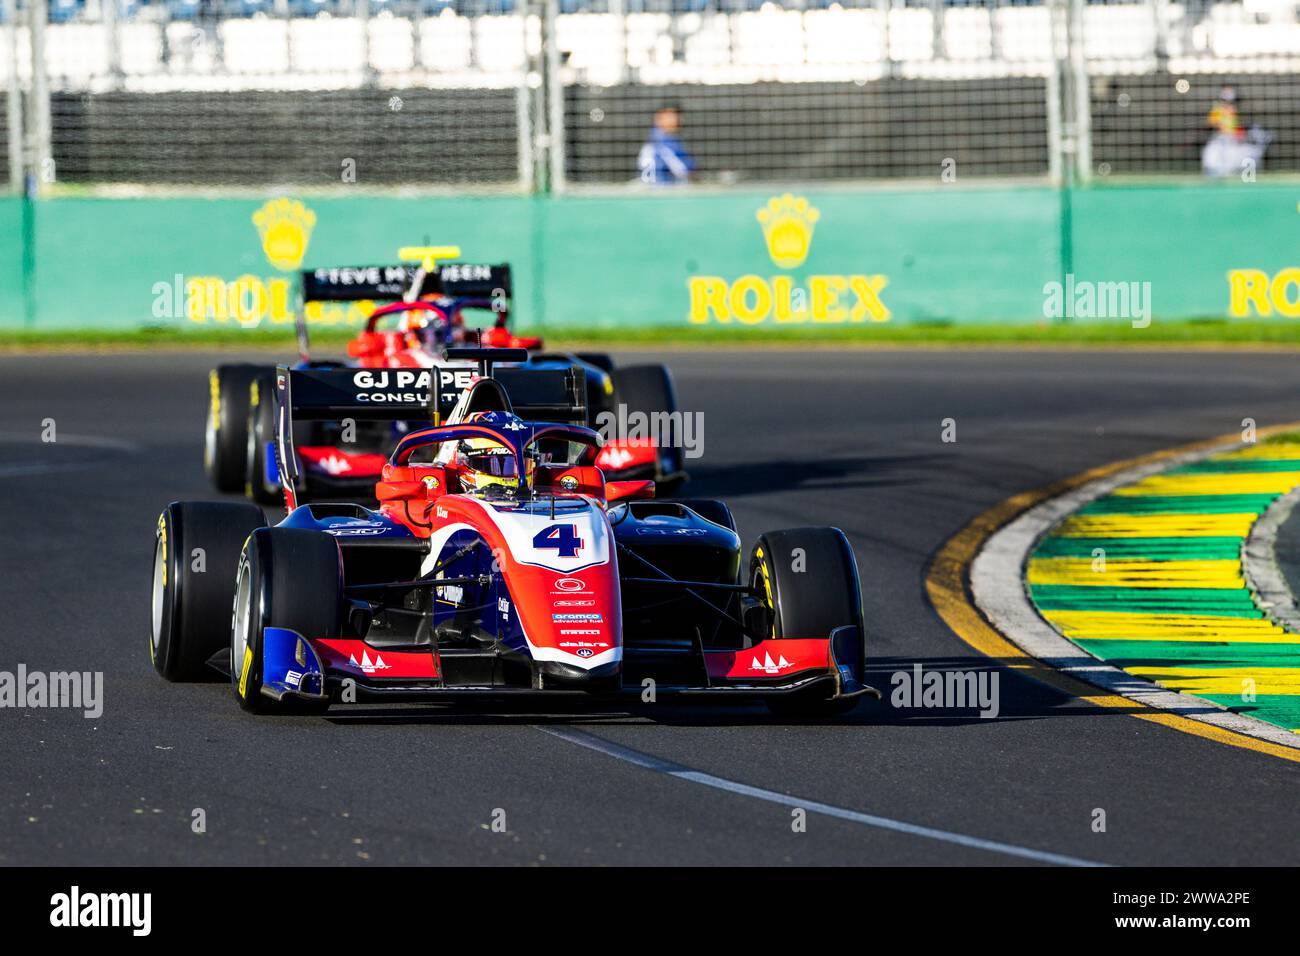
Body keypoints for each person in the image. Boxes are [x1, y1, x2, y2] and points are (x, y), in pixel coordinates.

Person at [638, 104, 696, 185]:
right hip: (661, 190)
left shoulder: (669, 139)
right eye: (672, 116)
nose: (678, 120)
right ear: (659, 118)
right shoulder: (661, 143)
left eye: (678, 116)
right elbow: (685, 171)